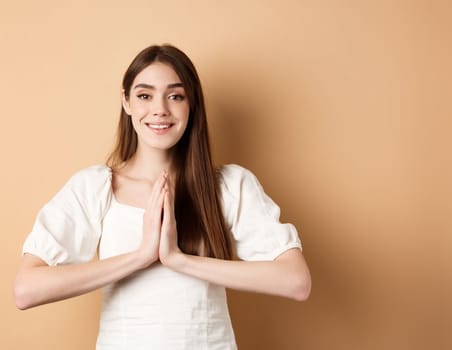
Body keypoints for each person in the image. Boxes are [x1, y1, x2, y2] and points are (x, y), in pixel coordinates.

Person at [13, 44, 311, 349]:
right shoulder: (94, 187)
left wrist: (179, 260)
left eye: (175, 96)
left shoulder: (229, 186)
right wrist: (140, 256)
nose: (159, 110)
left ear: (191, 105)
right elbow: (26, 290)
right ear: (126, 101)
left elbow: (296, 281)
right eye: (145, 95)